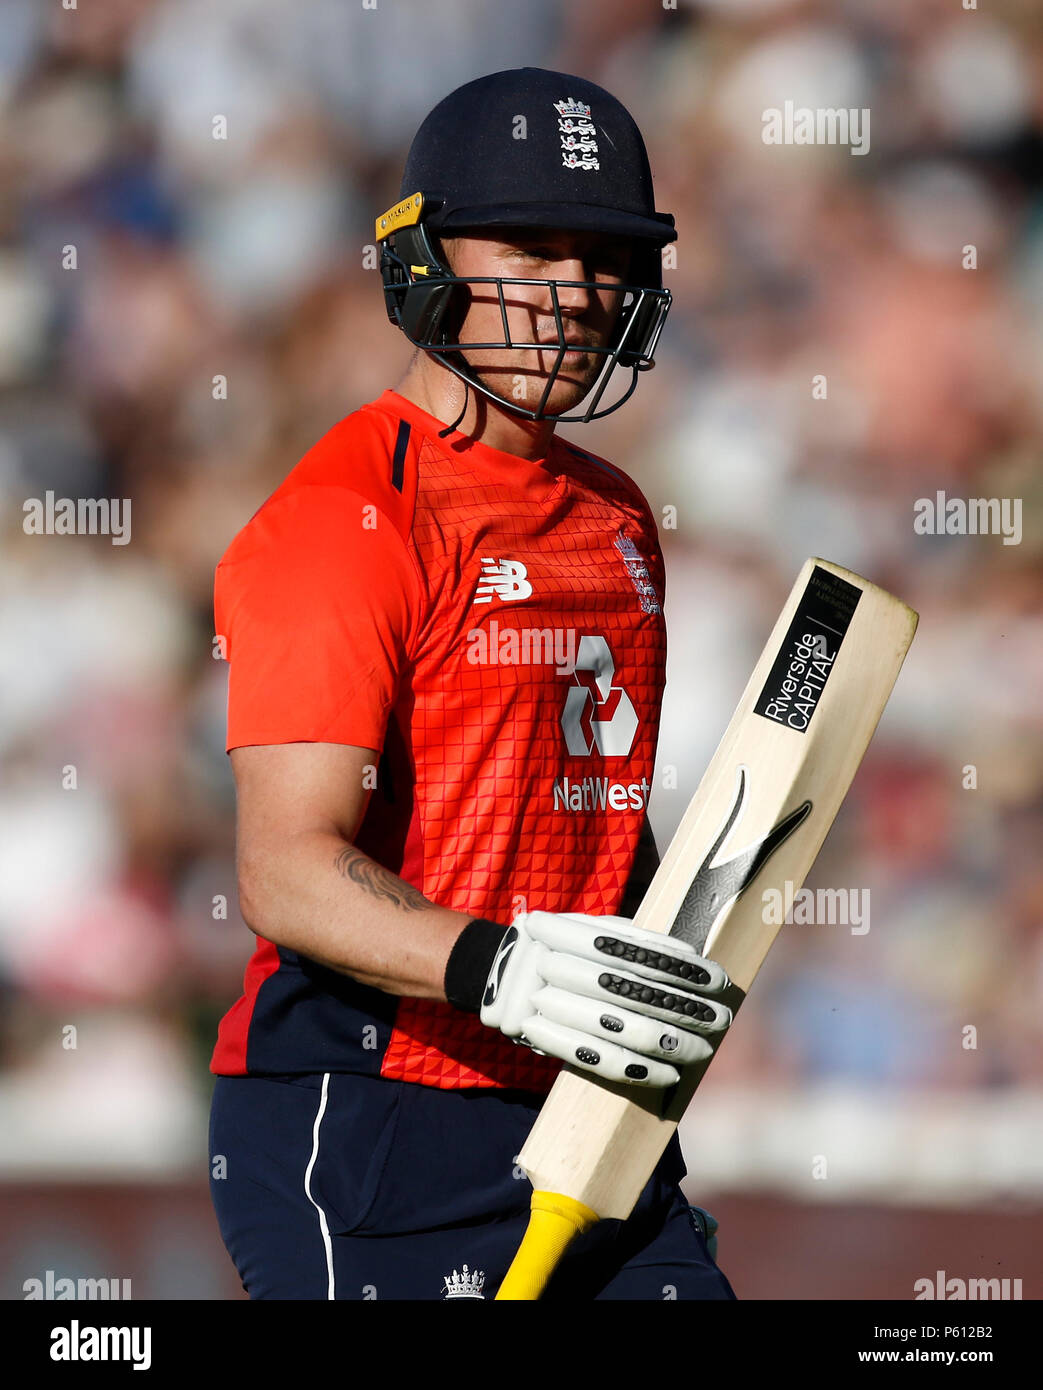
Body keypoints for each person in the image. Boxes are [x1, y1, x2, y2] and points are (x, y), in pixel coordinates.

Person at [208, 66, 736, 1302]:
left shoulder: (614, 516)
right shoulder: (345, 513)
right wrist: (498, 970)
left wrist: (660, 956)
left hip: (588, 1117)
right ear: (422, 260)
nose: (572, 296)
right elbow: (283, 868)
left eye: (602, 261)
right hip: (373, 1118)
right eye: (530, 250)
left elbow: (589, 810)